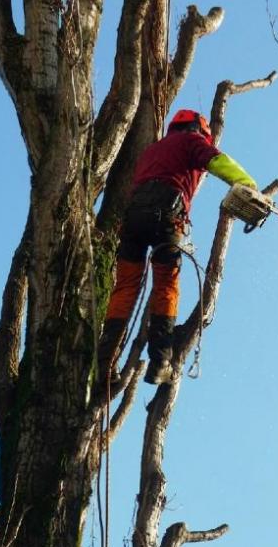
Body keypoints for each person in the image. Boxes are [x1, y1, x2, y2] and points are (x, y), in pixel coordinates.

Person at [97, 108, 257, 387]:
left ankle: (103, 364)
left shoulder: (152, 150)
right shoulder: (191, 142)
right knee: (166, 285)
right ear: (198, 130)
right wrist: (247, 185)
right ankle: (160, 362)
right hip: (166, 215)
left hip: (133, 219)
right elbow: (217, 161)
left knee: (125, 288)